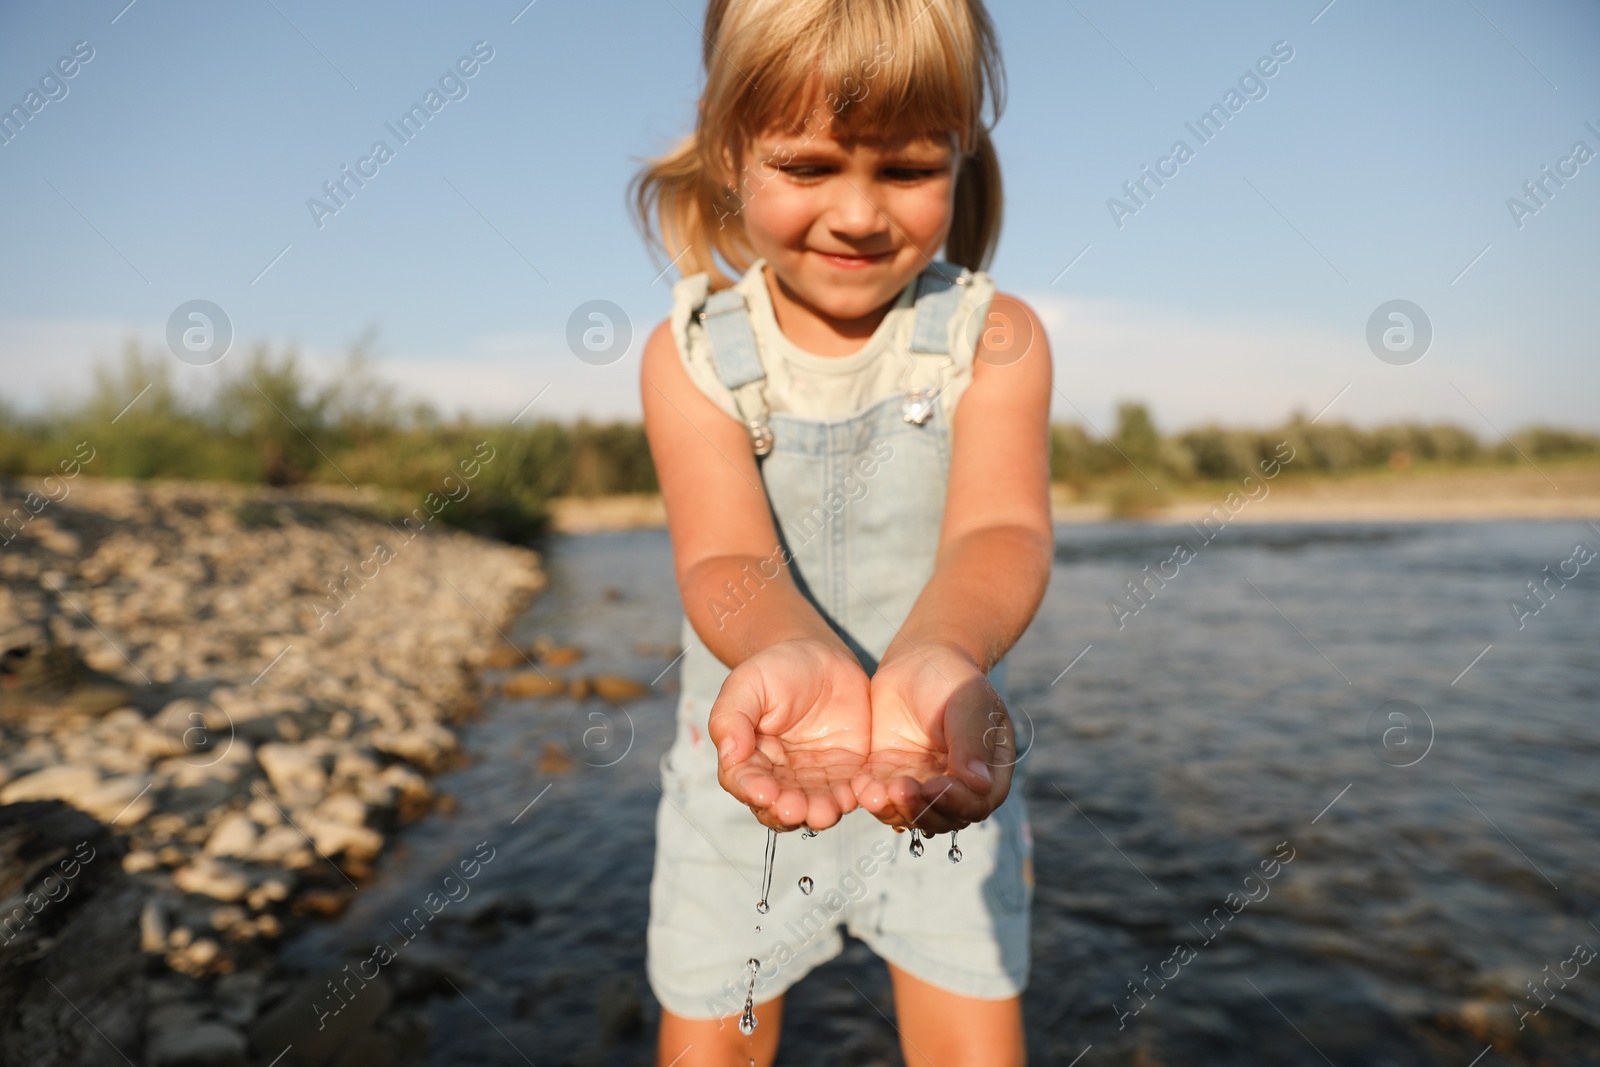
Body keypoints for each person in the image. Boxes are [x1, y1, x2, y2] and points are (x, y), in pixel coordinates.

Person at [631, 1, 1051, 1063]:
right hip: (756, 751)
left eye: (906, 168)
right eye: (810, 167)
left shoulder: (992, 339)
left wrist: (937, 656)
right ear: (731, 152)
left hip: (935, 745)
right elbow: (722, 555)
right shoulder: (690, 356)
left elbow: (998, 528)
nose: (860, 214)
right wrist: (793, 652)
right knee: (713, 1034)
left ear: (961, 152)